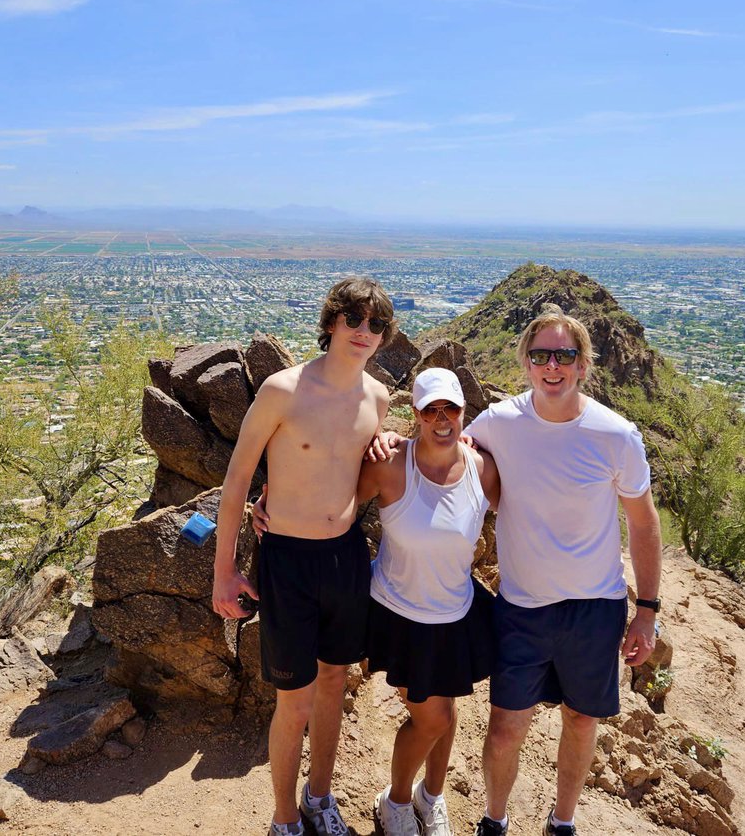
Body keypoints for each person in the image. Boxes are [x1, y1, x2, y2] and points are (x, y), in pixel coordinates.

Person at [462, 306, 662, 836]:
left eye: (564, 355)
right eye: (541, 355)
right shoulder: (499, 423)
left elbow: (643, 524)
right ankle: (495, 820)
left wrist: (646, 613)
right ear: (526, 363)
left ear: (582, 365)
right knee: (506, 728)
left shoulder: (615, 435)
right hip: (522, 607)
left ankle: (562, 821)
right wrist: (385, 445)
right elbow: (445, 454)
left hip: (594, 609)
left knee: (580, 719)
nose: (552, 366)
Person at [212, 276, 395, 836]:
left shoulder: (379, 399)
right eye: (355, 320)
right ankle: (285, 818)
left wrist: (391, 449)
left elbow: (355, 476)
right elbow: (238, 477)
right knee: (293, 699)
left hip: (345, 557)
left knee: (335, 681)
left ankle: (320, 798)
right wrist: (225, 570)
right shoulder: (283, 390)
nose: (364, 332)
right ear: (333, 322)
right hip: (287, 560)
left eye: (377, 325)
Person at [360, 367, 501, 836]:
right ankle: (396, 801)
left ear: (465, 412)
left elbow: (528, 515)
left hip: (456, 612)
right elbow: (336, 507)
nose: (442, 418)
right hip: (400, 613)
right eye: (431, 409)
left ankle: (431, 795)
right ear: (417, 415)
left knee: (447, 709)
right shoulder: (390, 464)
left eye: (451, 409)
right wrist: (271, 506)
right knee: (432, 717)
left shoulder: (483, 469)